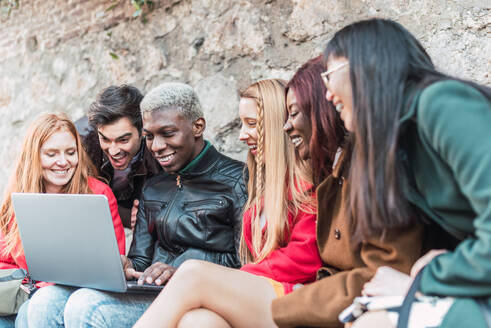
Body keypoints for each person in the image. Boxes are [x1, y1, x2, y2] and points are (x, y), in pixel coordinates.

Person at [22, 82, 247, 328]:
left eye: (168, 134)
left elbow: (247, 261)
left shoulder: (237, 180)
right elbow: (139, 260)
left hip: (194, 294)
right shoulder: (154, 186)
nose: (157, 146)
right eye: (150, 137)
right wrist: (123, 264)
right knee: (45, 300)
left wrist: (180, 269)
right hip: (148, 292)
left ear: (198, 126)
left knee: (85, 306)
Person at [321, 18, 491, 327]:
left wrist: (426, 279)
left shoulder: (441, 104)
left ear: (367, 65)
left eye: (329, 75)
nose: (329, 94)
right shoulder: (400, 143)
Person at [133, 78, 322, 328]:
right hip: (259, 291)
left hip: (296, 294)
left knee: (193, 274)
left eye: (252, 124)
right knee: (197, 321)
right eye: (243, 124)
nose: (242, 135)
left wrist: (236, 277)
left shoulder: (306, 183)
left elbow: (304, 257)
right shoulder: (265, 187)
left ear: (279, 125)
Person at [265, 56, 423, 328]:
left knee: (195, 277)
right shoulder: (332, 179)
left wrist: (292, 300)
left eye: (293, 113)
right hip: (326, 299)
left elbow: (382, 269)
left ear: (323, 107)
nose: (285, 127)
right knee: (200, 315)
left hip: (345, 304)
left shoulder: (374, 169)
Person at [0, 113, 125, 328]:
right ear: (34, 156)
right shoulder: (18, 197)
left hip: (79, 293)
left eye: (70, 152)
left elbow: (114, 260)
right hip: (29, 290)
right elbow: (4, 260)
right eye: (51, 154)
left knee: (33, 310)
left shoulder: (97, 194)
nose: (63, 162)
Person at [75, 85, 161, 231]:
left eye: (123, 140)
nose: (113, 151)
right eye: (106, 140)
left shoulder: (160, 149)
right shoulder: (80, 142)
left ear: (142, 131)